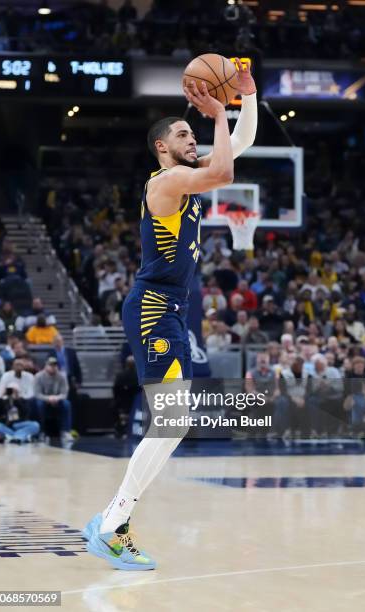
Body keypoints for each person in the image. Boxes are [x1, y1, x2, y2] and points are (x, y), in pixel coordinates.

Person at [84, 59, 258, 570]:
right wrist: (219, 113)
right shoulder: (165, 183)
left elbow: (237, 148)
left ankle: (111, 522)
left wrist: (243, 96)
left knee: (174, 423)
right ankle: (112, 525)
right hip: (154, 308)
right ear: (162, 147)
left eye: (193, 132)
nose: (192, 136)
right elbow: (225, 168)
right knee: (171, 421)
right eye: (184, 133)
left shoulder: (188, 175)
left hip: (173, 312)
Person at [34, 357, 73, 441]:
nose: (53, 367)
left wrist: (56, 398)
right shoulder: (38, 376)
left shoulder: (62, 376)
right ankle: (41, 432)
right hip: (44, 399)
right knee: (39, 404)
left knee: (66, 404)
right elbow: (37, 394)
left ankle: (66, 431)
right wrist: (48, 398)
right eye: (50, 365)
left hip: (57, 400)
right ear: (45, 366)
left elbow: (65, 394)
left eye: (55, 365)